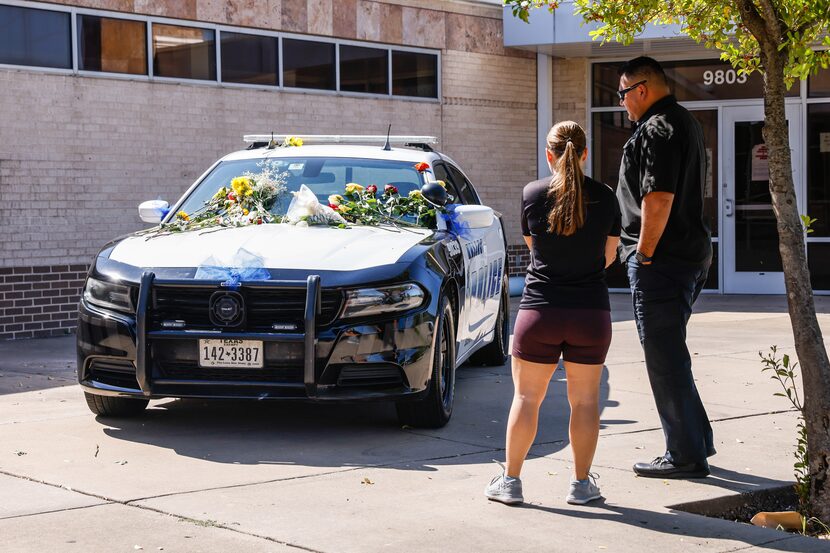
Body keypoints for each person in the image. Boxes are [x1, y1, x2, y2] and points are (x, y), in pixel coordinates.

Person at [485, 121, 621, 506]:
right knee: (585, 402)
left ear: (550, 154)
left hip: (540, 311)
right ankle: (581, 485)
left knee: (526, 399)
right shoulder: (606, 197)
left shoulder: (532, 193)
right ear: (585, 154)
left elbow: (534, 248)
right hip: (590, 313)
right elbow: (608, 257)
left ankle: (510, 482)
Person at [615, 56, 715, 478]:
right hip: (688, 254)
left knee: (664, 358)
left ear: (641, 89)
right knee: (672, 353)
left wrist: (645, 253)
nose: (622, 104)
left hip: (664, 260)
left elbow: (658, 199)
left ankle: (685, 456)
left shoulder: (657, 129)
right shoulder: (685, 122)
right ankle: (695, 442)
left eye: (622, 94)